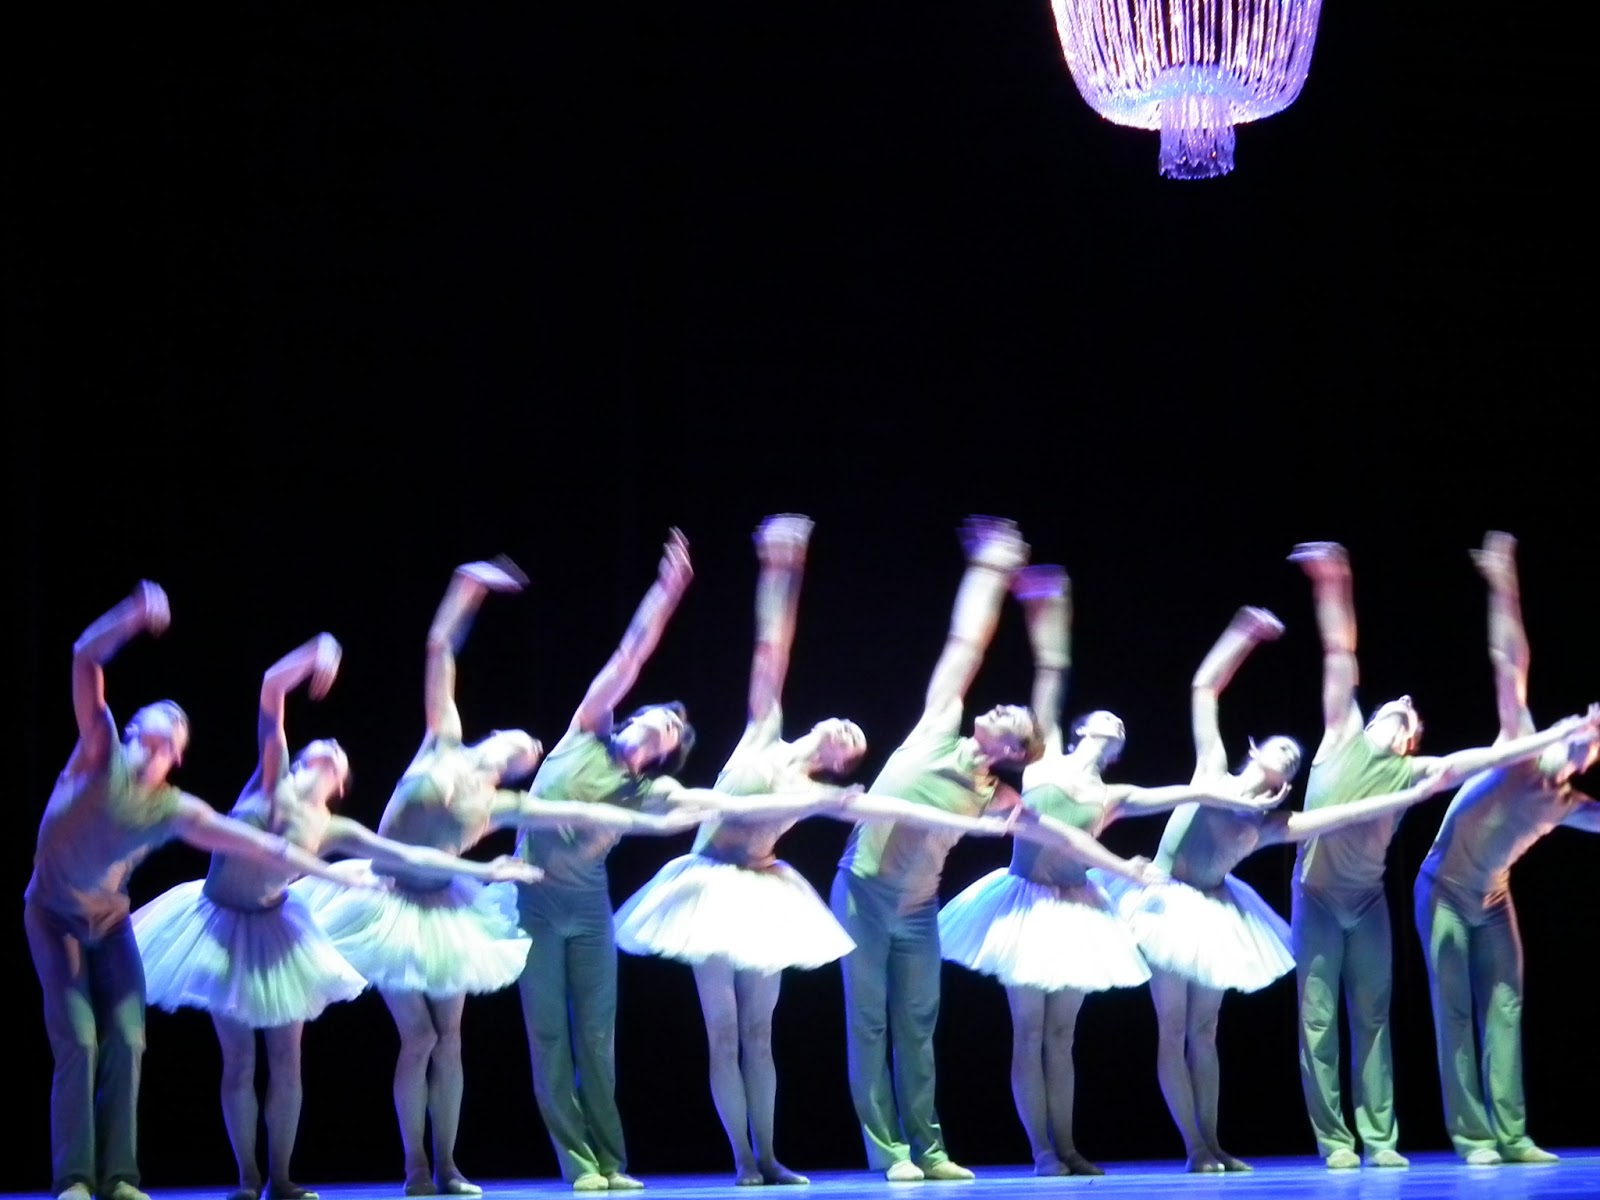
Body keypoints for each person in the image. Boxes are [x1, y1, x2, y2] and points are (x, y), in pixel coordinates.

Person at [293, 561, 701, 1196]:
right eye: (528, 743)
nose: (533, 749)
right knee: (421, 1037)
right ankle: (418, 1166)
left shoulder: (504, 803)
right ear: (497, 735)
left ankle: (451, 1165)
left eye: (534, 753)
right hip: (388, 901)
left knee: (456, 1038)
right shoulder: (445, 739)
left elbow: (574, 814)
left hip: (456, 908)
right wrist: (469, 585)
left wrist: (658, 819)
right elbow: (440, 647)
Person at [133, 633, 545, 1200]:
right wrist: (317, 651)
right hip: (217, 924)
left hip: (275, 928)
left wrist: (484, 868)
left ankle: (281, 1177)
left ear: (342, 782)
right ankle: (248, 1178)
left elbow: (410, 857)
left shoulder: (333, 828)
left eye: (338, 752)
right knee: (238, 1060)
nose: (328, 745)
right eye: (320, 744)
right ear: (303, 759)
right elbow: (272, 688)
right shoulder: (271, 778)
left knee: (287, 1059)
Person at [24, 584, 375, 1200]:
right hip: (53, 915)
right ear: (133, 728)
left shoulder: (172, 807)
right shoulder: (99, 750)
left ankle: (121, 1176)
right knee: (78, 1038)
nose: (171, 720)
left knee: (129, 1037)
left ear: (179, 756)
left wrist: (332, 873)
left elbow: (260, 847)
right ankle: (75, 1178)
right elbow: (85, 656)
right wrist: (133, 613)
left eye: (179, 730)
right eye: (158, 720)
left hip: (109, 920)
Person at [937, 570, 1284, 1177]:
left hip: (1076, 907)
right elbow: (1050, 677)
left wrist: (1237, 797)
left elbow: (1184, 791)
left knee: (1062, 1035)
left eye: (1119, 726)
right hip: (1023, 903)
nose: (1111, 723)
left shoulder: (1113, 795)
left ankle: (1069, 1147)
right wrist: (1049, 610)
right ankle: (1043, 1150)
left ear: (1118, 747)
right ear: (1082, 729)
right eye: (1103, 719)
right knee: (1029, 1030)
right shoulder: (1042, 762)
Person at [830, 517, 1128, 1183]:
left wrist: (1123, 868)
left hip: (916, 909)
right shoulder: (937, 727)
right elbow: (965, 642)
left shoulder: (995, 794)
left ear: (1012, 750)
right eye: (1003, 710)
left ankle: (930, 1150)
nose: (998, 710)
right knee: (869, 1025)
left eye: (1012, 721)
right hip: (863, 891)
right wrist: (989, 569)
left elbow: (1059, 835)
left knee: (917, 1028)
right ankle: (890, 1152)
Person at [1287, 542, 1592, 1170]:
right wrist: (1333, 580)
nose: (1401, 704)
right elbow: (1340, 652)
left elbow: (1478, 758)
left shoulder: (1419, 772)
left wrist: (1560, 733)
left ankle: (1400, 1138)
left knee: (1387, 1018)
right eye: (1393, 706)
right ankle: (1344, 1142)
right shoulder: (1341, 736)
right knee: (1321, 1021)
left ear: (1411, 740)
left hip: (1396, 900)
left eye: (1409, 713)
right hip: (1334, 895)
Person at [1413, 533, 1600, 1166]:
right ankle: (1473, 1137)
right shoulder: (1520, 746)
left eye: (1594, 739)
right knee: (1454, 1011)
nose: (1585, 735)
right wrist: (1503, 580)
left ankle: (1514, 1136)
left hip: (1492, 898)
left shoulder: (1567, 801)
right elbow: (1508, 659)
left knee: (1505, 1008)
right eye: (1583, 725)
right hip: (1441, 888)